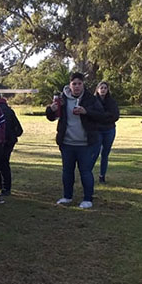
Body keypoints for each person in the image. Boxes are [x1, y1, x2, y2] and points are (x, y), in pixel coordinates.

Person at [46, 73, 104, 209]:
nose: (77, 86)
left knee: (85, 172)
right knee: (67, 171)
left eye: (79, 83)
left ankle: (88, 199)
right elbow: (51, 117)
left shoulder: (91, 99)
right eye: (74, 84)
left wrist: (86, 111)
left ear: (83, 84)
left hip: (85, 143)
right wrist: (50, 110)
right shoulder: (62, 98)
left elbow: (102, 116)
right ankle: (67, 196)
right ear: (70, 85)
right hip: (67, 143)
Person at [0, 94, 23, 196]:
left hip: (3, 141)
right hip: (9, 141)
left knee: (2, 163)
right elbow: (19, 129)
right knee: (2, 163)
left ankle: (6, 188)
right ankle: (3, 185)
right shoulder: (8, 109)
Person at [93, 81, 120, 184]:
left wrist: (102, 117)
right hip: (98, 130)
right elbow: (93, 115)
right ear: (97, 89)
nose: (103, 90)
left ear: (108, 90)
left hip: (109, 130)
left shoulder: (112, 102)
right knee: (95, 152)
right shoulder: (93, 101)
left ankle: (102, 175)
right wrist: (105, 116)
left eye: (105, 88)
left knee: (105, 153)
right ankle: (88, 174)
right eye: (101, 88)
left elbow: (115, 116)